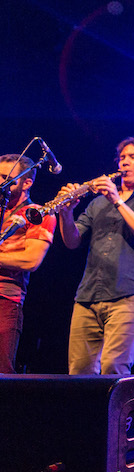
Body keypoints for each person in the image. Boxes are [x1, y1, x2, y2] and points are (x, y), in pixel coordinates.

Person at [58, 138, 134, 375]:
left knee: (114, 368)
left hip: (130, 294)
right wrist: (66, 212)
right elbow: (72, 242)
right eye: (122, 157)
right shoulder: (97, 203)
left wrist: (117, 200)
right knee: (78, 373)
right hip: (88, 295)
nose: (124, 162)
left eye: (133, 157)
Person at [0, 155, 57, 373]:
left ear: (27, 182)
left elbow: (31, 260)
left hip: (5, 299)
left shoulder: (37, 214)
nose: (0, 183)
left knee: (2, 373)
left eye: (6, 178)